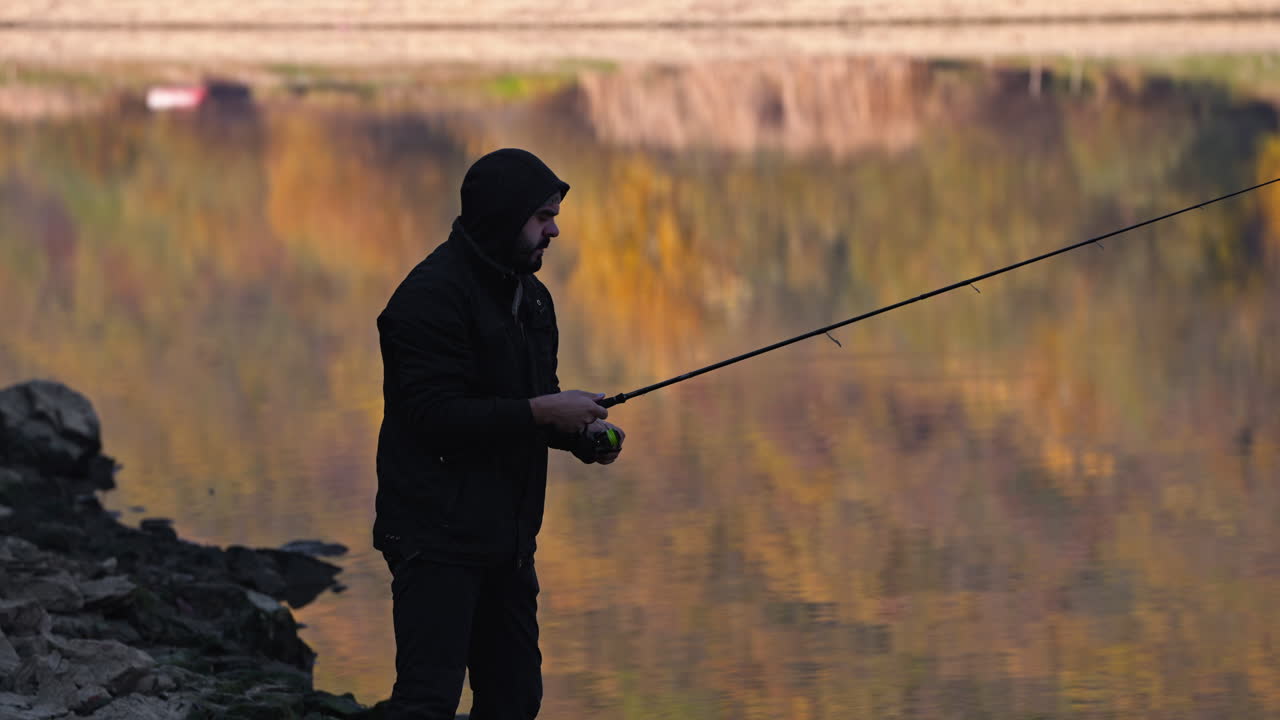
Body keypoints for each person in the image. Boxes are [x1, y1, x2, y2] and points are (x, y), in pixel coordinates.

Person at [374, 148, 625, 719]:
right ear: (503, 217)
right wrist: (543, 412)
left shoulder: (531, 296)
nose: (553, 230)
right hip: (433, 537)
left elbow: (532, 402)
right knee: (427, 702)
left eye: (553, 216)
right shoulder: (427, 299)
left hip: (507, 540)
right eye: (542, 217)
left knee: (515, 700)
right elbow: (432, 418)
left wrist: (579, 434)